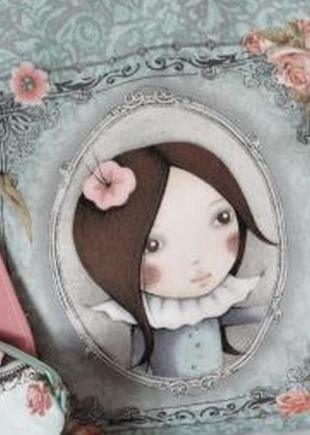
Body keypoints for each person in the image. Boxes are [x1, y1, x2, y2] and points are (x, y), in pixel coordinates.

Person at [72, 141, 275, 379]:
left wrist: (268, 313)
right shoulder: (152, 316)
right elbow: (137, 365)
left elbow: (229, 315)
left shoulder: (215, 300)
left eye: (221, 218)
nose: (197, 259)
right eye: (154, 245)